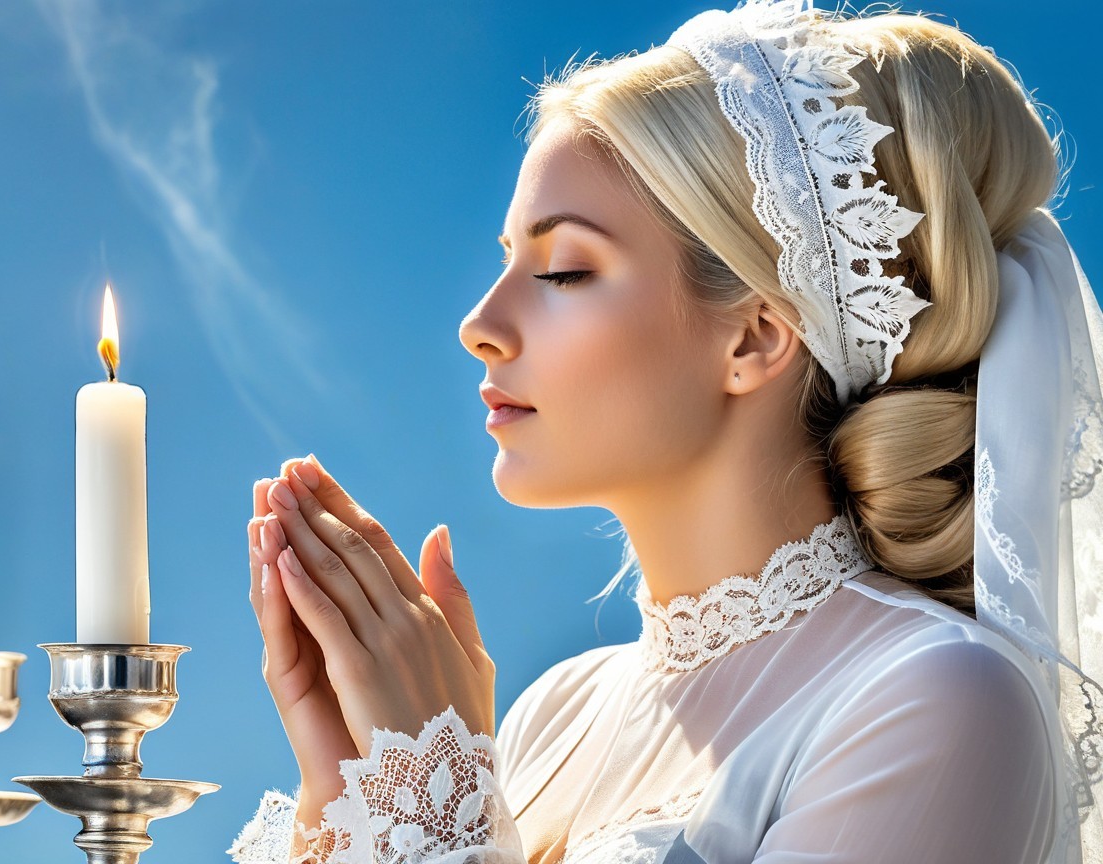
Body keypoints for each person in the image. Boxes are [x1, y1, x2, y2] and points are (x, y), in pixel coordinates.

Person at [228, 1, 1103, 862]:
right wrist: (349, 800)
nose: (480, 322)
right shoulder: (554, 712)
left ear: (756, 336)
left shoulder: (937, 700)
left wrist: (432, 815)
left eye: (566, 270)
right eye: (506, 261)